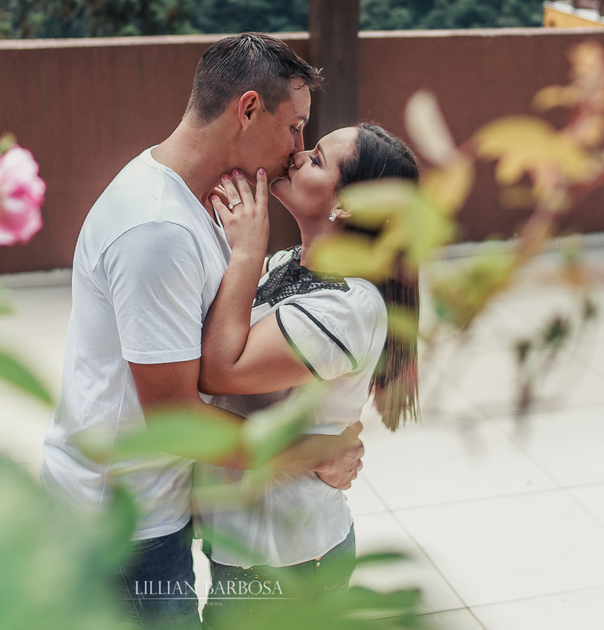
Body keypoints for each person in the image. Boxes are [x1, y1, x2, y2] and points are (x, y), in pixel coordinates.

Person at [39, 33, 367, 630]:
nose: (297, 149)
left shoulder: (199, 202)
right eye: (294, 127)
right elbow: (173, 415)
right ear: (247, 109)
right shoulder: (157, 228)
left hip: (158, 504)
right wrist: (309, 453)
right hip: (122, 524)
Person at [194, 123, 420, 626]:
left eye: (316, 159)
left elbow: (218, 371)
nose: (296, 156)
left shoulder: (348, 305)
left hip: (285, 559)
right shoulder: (284, 264)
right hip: (244, 539)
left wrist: (246, 252)